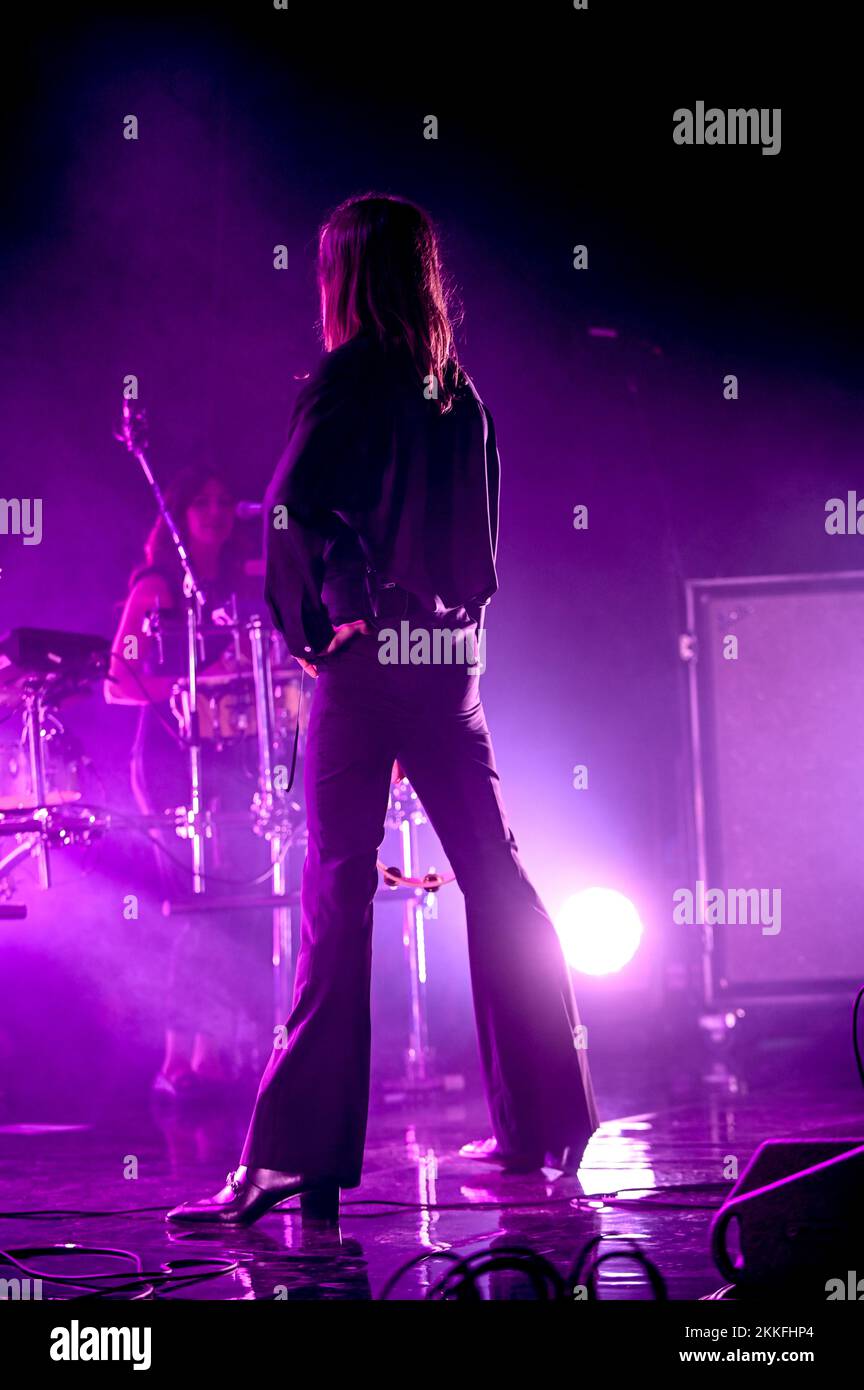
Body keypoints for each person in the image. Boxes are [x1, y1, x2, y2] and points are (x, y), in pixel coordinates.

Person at [168, 193, 599, 1226]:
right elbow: (483, 563)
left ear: (342, 276)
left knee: (336, 897)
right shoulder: (462, 397)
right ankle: (549, 1123)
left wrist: (339, 626)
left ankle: (292, 1161)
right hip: (449, 662)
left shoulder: (349, 374)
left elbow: (295, 507)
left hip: (371, 667)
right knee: (498, 881)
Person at [105, 468, 272, 1102]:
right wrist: (190, 687)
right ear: (176, 511)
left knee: (230, 905)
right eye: (200, 501)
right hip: (171, 759)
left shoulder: (238, 584)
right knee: (192, 903)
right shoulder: (157, 584)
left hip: (231, 756)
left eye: (225, 500)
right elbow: (116, 681)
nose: (215, 511)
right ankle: (179, 1056)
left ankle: (210, 1053)